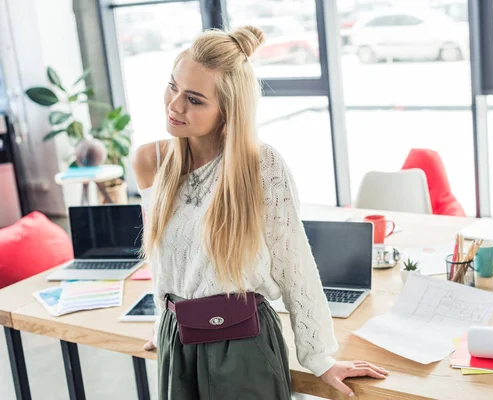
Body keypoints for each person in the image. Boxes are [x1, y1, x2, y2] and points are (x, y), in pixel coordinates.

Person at [132, 25, 388, 400]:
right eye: (172, 86)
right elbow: (164, 258)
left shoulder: (261, 165)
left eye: (195, 99)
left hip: (243, 344)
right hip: (179, 338)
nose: (175, 105)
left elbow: (293, 262)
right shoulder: (149, 160)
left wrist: (319, 357)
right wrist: (162, 325)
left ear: (227, 111)